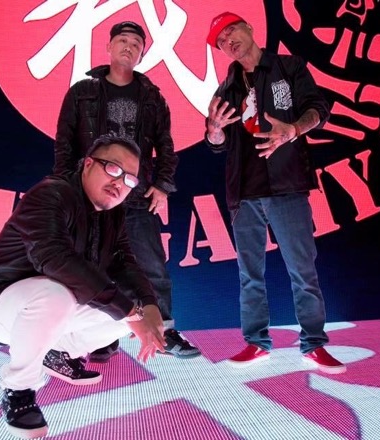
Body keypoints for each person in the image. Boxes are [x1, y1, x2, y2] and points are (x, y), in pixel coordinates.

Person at [0, 134, 167, 439]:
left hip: (56, 309)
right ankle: (19, 389)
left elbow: (124, 263)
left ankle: (58, 352)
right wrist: (130, 312)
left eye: (129, 179)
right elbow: (53, 258)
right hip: (3, 308)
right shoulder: (51, 194)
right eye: (113, 169)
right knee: (64, 296)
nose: (119, 183)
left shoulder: (113, 214)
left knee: (132, 313)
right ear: (88, 164)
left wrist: (148, 306)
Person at [204, 12, 346, 374]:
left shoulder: (289, 66)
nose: (228, 41)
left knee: (302, 269)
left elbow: (318, 109)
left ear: (250, 27)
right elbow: (218, 144)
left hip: (287, 185)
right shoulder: (226, 89)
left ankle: (313, 344)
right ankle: (256, 342)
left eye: (231, 30)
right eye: (221, 41)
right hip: (243, 193)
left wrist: (293, 130)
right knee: (249, 274)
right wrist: (214, 131)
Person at [53, 21, 200, 361]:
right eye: (122, 40)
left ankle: (163, 330)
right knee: (90, 266)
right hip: (90, 196)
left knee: (151, 265)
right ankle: (98, 336)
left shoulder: (152, 96)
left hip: (135, 195)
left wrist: (162, 185)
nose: (128, 47)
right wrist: (66, 188)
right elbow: (64, 144)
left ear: (142, 54)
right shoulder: (82, 92)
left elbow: (166, 146)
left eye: (136, 43)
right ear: (108, 47)